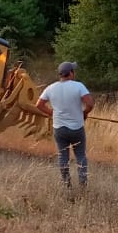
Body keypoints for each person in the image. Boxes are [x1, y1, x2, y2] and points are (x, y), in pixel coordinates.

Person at [36, 61, 94, 190]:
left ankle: (67, 185)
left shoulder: (51, 88)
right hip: (76, 128)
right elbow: (90, 103)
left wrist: (52, 113)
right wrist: (84, 113)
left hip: (59, 128)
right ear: (71, 73)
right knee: (80, 156)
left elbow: (39, 105)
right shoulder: (78, 86)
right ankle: (83, 185)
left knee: (63, 156)